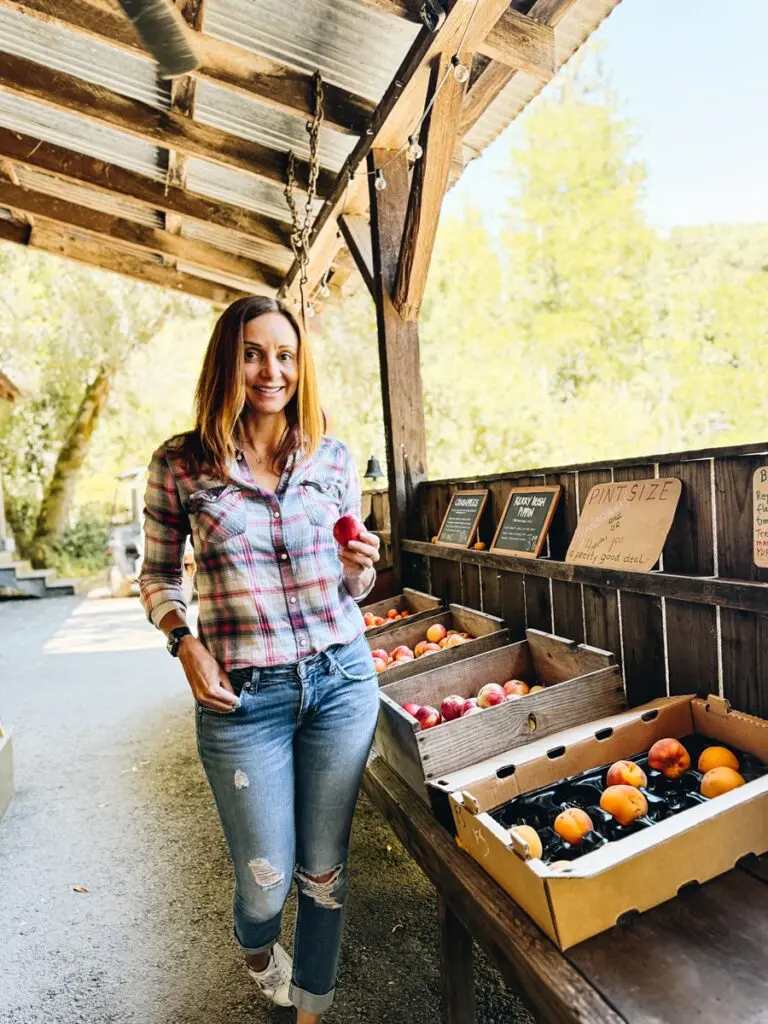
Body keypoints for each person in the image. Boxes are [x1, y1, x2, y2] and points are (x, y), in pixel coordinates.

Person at [139, 295, 381, 1023]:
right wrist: (183, 642)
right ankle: (254, 946)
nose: (271, 370)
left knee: (324, 869)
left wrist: (362, 567)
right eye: (252, 353)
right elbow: (158, 576)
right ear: (227, 362)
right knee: (266, 885)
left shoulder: (332, 457)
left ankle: (311, 1007)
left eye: (284, 355)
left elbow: (355, 585)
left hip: (341, 680)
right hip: (244, 701)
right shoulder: (179, 464)